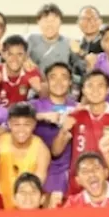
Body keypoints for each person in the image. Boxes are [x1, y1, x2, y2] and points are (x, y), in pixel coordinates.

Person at [52, 71, 109, 196]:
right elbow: (56, 151)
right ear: (83, 90)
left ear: (108, 90)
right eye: (90, 86)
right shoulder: (75, 115)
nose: (95, 90)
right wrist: (63, 131)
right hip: (78, 186)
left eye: (100, 85)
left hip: (108, 185)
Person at [0, 103, 51, 209]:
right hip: (0, 207)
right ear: (9, 124)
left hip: (28, 208)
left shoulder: (41, 150)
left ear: (34, 125)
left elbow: (36, 190)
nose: (21, 130)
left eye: (27, 125)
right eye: (16, 124)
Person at [32, 62, 77, 195]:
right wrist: (41, 116)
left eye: (64, 77)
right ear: (46, 81)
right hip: (42, 171)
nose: (59, 82)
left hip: (70, 173)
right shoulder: (34, 106)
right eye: (53, 77)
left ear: (70, 82)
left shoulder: (77, 108)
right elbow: (13, 118)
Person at [0, 35, 43, 107]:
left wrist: (39, 89)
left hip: (20, 116)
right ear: (3, 55)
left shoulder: (31, 71)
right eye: (10, 54)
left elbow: (48, 97)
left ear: (26, 55)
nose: (14, 58)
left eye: (19, 54)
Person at [27, 4, 76, 75]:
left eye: (53, 20)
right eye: (46, 20)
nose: (49, 25)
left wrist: (80, 52)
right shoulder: (30, 40)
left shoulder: (69, 43)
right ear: (38, 22)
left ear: (60, 22)